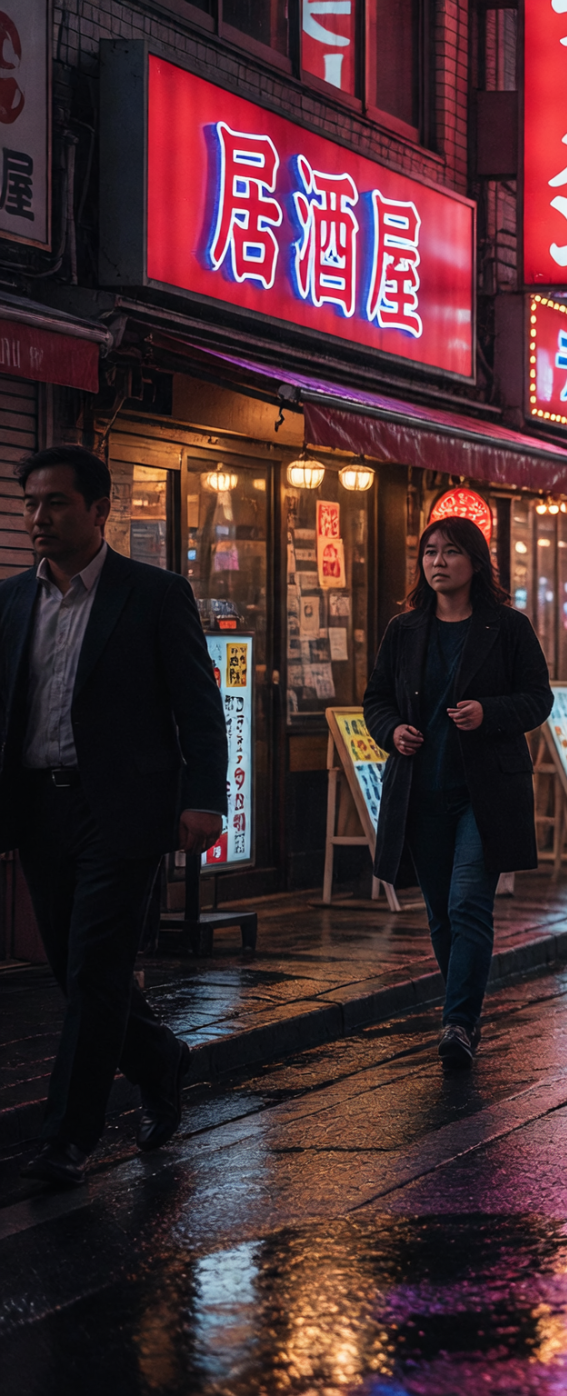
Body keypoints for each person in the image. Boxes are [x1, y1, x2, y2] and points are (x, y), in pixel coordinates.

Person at [1, 447, 223, 1186]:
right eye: (31, 502)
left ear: (99, 511)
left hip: (121, 812)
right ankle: (161, 1059)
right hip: (39, 806)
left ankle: (68, 1138)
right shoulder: (9, 601)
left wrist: (204, 797)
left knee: (96, 970)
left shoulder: (153, 594)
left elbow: (198, 706)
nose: (39, 517)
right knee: (70, 969)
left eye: (56, 502)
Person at [365, 516, 553, 1070]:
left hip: (485, 791)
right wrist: (392, 730)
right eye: (429, 552)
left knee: (469, 902)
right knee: (440, 914)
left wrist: (488, 712)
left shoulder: (508, 627)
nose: (437, 561)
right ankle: (462, 1012)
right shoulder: (403, 630)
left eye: (449, 552)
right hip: (422, 788)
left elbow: (538, 698)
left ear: (475, 562)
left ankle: (459, 1022)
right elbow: (376, 699)